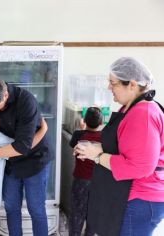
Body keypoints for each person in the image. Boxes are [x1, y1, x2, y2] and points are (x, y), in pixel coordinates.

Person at [75, 57, 164, 236]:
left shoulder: (143, 114)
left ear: (131, 84)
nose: (109, 88)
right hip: (126, 195)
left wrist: (98, 156)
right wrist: (95, 148)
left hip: (140, 200)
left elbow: (140, 167)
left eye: (113, 83)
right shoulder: (130, 108)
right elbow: (124, 146)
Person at [0, 79, 52, 236]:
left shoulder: (26, 102)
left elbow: (22, 147)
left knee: (36, 208)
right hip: (10, 161)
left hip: (34, 160)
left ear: (5, 95)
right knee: (11, 207)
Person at [68, 107, 102, 236]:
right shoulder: (103, 137)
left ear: (85, 121)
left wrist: (82, 128)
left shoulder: (79, 135)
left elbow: (72, 144)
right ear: (100, 123)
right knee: (93, 213)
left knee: (77, 212)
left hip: (81, 181)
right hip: (98, 182)